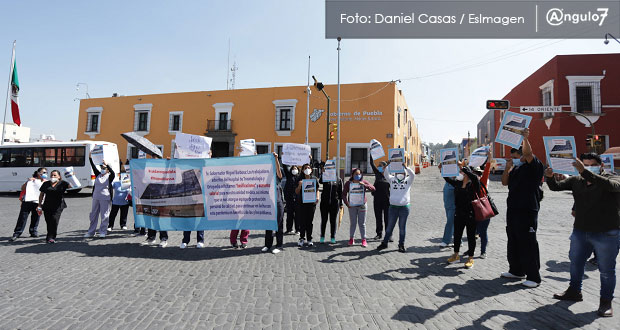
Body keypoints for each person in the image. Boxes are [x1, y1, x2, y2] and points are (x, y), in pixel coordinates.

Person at [546, 153, 620, 317]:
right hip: (581, 231)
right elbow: (556, 186)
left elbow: (611, 186)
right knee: (575, 263)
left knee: (607, 270)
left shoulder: (612, 177)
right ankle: (574, 291)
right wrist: (549, 177)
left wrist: (584, 172)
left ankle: (606, 302)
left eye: (591, 165)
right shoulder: (577, 180)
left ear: (601, 166)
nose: (586, 168)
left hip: (606, 232)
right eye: (584, 165)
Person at [500, 128, 544, 288]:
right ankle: (516, 270)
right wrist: (507, 168)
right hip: (513, 210)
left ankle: (534, 276)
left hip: (527, 210)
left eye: (515, 156)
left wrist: (524, 139)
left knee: (528, 243)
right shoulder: (516, 168)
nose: (513, 158)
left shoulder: (535, 166)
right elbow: (505, 183)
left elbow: (529, 153)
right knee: (513, 240)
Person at [443, 163, 480, 269]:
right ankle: (456, 255)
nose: (460, 174)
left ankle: (470, 258)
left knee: (470, 237)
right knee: (457, 235)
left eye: (462, 173)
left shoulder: (473, 184)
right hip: (458, 213)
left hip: (471, 215)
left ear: (467, 174)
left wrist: (464, 168)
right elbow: (447, 179)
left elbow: (474, 177)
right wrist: (443, 170)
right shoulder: (458, 184)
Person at [376, 159, 415, 252]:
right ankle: (384, 243)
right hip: (393, 207)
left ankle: (401, 244)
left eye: (402, 170)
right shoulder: (392, 179)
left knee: (402, 227)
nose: (400, 172)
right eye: (398, 170)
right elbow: (385, 173)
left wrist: (406, 167)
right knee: (390, 226)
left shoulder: (408, 180)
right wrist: (389, 164)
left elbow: (413, 174)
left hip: (404, 207)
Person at [10, 167, 47, 241]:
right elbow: (22, 188)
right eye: (43, 172)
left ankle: (33, 231)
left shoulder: (46, 182)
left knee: (36, 217)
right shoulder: (31, 180)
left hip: (38, 202)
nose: (45, 174)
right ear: (38, 173)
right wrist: (27, 182)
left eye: (46, 173)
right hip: (27, 201)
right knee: (23, 217)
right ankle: (17, 233)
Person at [343, 168, 376, 247]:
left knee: (362, 223)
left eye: (359, 174)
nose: (358, 176)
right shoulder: (348, 183)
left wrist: (365, 185)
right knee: (353, 223)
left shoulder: (363, 182)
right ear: (352, 175)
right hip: (352, 206)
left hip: (362, 205)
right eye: (356, 174)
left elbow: (373, 188)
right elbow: (343, 194)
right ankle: (351, 239)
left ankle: (363, 240)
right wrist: (347, 203)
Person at [85, 156, 115, 238]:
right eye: (101, 167)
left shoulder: (110, 176)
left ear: (108, 169)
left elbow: (113, 173)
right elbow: (93, 166)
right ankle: (91, 232)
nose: (102, 168)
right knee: (93, 215)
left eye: (104, 168)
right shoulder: (98, 174)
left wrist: (107, 165)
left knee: (104, 215)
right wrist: (90, 158)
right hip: (96, 197)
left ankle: (103, 231)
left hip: (105, 198)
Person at [37, 170, 69, 244]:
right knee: (48, 221)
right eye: (51, 175)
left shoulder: (63, 183)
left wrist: (71, 177)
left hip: (58, 206)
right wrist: (39, 205)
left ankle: (51, 237)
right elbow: (41, 194)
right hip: (47, 205)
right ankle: (49, 235)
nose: (53, 177)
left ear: (59, 176)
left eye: (55, 175)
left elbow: (74, 186)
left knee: (54, 220)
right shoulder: (46, 184)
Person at [262, 152, 285, 254]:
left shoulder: (277, 178)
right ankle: (268, 245)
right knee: (268, 225)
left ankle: (279, 245)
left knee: (278, 225)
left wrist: (276, 159)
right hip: (268, 204)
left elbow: (279, 172)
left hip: (278, 203)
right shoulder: (263, 178)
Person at [295, 163, 320, 247]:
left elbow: (317, 189)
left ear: (311, 169)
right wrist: (299, 185)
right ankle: (302, 238)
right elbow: (296, 192)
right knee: (302, 221)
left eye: (309, 168)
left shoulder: (314, 179)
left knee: (309, 222)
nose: (307, 169)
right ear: (302, 170)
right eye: (305, 168)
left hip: (311, 204)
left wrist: (317, 197)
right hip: (301, 203)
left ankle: (309, 238)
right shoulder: (299, 179)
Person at [318, 162, 343, 244]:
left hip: (334, 203)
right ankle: (322, 236)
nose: (330, 169)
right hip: (324, 203)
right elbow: (320, 181)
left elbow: (340, 193)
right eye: (329, 168)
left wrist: (341, 203)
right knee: (324, 220)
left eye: (332, 168)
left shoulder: (338, 179)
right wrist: (323, 172)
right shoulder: (325, 177)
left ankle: (333, 237)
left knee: (333, 221)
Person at [370, 154, 390, 240]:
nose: (379, 167)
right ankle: (379, 233)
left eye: (381, 166)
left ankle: (389, 235)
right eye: (378, 166)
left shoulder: (389, 176)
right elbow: (371, 163)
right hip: (377, 200)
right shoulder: (377, 174)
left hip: (387, 200)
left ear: (385, 167)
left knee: (387, 218)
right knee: (378, 217)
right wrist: (371, 153)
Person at [440, 166, 456, 248]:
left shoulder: (458, 176)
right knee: (452, 222)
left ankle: (446, 240)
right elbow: (446, 178)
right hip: (447, 203)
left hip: (454, 204)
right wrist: (441, 169)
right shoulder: (449, 175)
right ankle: (458, 240)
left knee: (450, 221)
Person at [282, 164, 301, 234]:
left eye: (295, 168)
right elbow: (285, 167)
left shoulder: (299, 177)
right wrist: (284, 158)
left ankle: (298, 229)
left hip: (298, 199)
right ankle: (289, 229)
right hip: (289, 198)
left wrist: (310, 160)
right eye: (293, 169)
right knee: (290, 214)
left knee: (298, 215)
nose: (294, 170)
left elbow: (307, 169)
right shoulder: (289, 176)